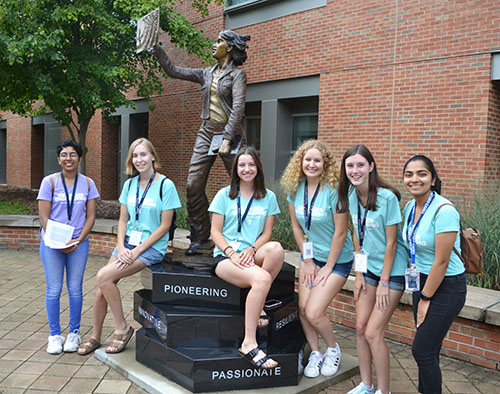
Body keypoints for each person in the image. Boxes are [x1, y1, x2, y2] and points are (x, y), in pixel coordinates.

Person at [77, 138, 181, 355]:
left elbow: (164, 226)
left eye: (143, 154)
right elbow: (123, 220)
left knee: (104, 277)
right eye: (135, 155)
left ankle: (122, 328)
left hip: (150, 248)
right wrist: (121, 246)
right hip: (127, 245)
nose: (139, 159)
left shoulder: (165, 185)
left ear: (153, 156)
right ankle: (96, 337)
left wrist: (136, 250)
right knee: (100, 292)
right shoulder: (129, 185)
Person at [153, 30, 250, 255]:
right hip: (206, 132)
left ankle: (243, 237)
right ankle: (200, 238)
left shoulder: (237, 76)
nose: (214, 45)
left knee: (242, 186)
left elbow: (238, 108)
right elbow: (174, 71)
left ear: (230, 47)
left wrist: (227, 138)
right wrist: (157, 50)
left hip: (231, 133)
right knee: (192, 185)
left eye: (219, 41)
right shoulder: (206, 73)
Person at [337, 144, 408, 394]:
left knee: (373, 331)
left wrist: (385, 282)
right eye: (350, 166)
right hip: (367, 270)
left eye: (360, 165)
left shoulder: (387, 197)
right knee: (359, 328)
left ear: (371, 167)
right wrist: (358, 274)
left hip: (392, 272)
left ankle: (384, 390)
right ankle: (366, 386)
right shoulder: (351, 195)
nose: (355, 170)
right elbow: (357, 237)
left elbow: (391, 243)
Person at [280, 140, 353, 378]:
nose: (311, 164)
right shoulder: (295, 188)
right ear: (300, 162)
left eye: (317, 161)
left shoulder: (334, 190)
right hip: (311, 257)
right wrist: (309, 261)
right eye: (307, 160)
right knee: (302, 308)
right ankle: (316, 352)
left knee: (314, 312)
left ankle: (333, 348)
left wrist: (329, 266)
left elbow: (341, 232)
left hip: (337, 259)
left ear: (325, 164)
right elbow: (297, 226)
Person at [209, 147, 284, 369]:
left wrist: (251, 250)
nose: (247, 169)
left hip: (253, 253)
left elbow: (267, 234)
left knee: (276, 249)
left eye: (251, 164)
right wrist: (232, 254)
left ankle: (259, 303)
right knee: (262, 279)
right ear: (236, 169)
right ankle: (248, 343)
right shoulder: (224, 195)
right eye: (242, 165)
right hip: (226, 258)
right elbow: (215, 232)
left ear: (258, 167)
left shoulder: (268, 197)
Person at [402, 155, 466, 394]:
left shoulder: (444, 210)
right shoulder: (410, 207)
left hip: (446, 286)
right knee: (429, 349)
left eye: (421, 174)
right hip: (420, 280)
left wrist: (426, 298)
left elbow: (441, 261)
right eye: (409, 174)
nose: (414, 179)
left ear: (433, 178)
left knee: (422, 350)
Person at [37, 140, 100, 354]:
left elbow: (90, 217)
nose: (68, 159)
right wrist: (57, 241)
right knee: (54, 289)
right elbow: (44, 217)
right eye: (64, 155)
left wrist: (78, 240)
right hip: (52, 244)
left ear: (79, 159)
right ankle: (55, 335)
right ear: (58, 159)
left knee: (75, 289)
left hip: (78, 243)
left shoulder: (89, 184)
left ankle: (74, 333)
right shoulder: (50, 182)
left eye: (73, 155)